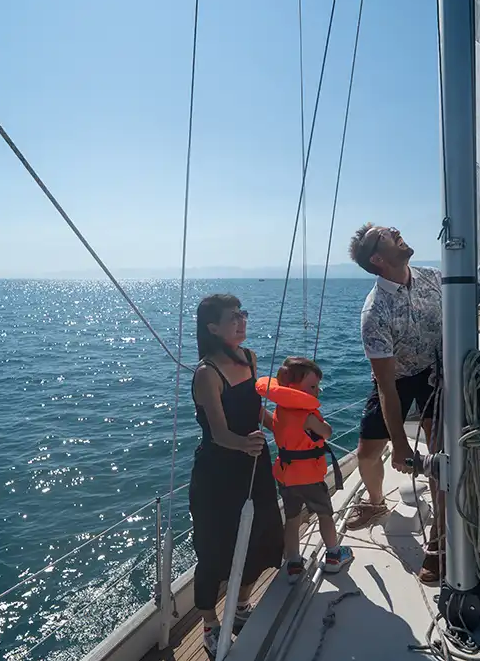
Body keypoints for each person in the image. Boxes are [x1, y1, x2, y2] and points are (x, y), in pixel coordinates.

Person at [346, 223, 446, 584]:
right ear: (377, 258)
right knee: (366, 453)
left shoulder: (434, 278)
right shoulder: (374, 313)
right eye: (386, 233)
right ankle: (375, 502)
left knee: (438, 454)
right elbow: (387, 387)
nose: (396, 230)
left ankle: (439, 540)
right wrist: (400, 445)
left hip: (436, 370)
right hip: (397, 378)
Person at [188, 294, 284, 659]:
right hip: (218, 473)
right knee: (214, 550)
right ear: (213, 328)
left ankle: (241, 605)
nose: (241, 322)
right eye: (233, 318)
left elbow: (256, 408)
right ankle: (210, 624)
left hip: (254, 462)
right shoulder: (206, 373)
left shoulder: (249, 358)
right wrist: (245, 444)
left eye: (243, 314)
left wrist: (284, 430)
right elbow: (218, 433)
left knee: (263, 534)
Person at [256, 357, 355, 584]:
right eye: (312, 387)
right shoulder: (308, 416)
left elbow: (273, 425)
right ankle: (333, 555)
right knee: (325, 514)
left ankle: (293, 564)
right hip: (310, 478)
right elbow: (327, 432)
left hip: (286, 477)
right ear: (292, 388)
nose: (317, 391)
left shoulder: (280, 411)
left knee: (292, 519)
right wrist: (323, 426)